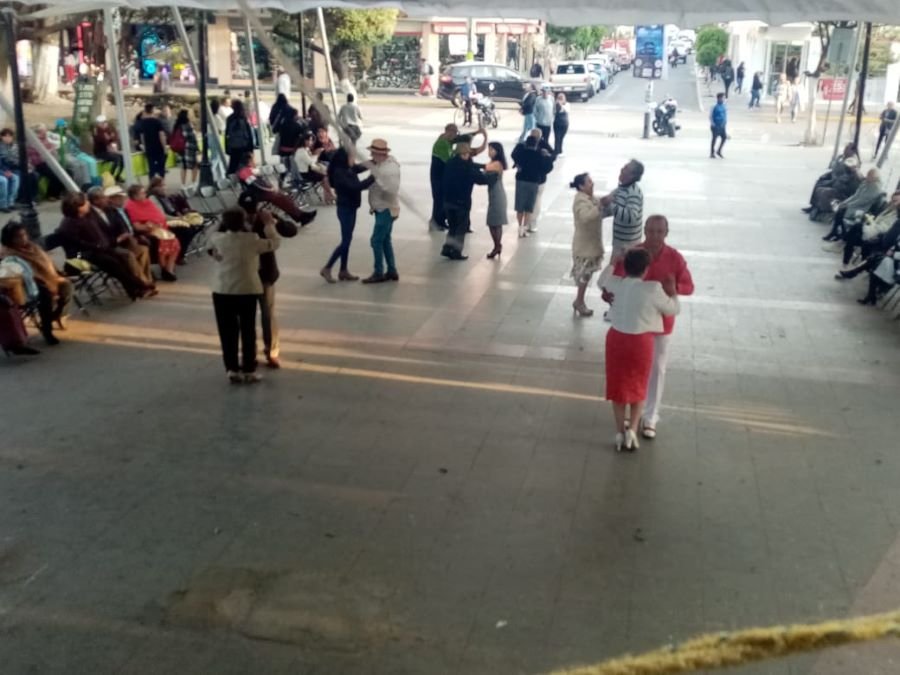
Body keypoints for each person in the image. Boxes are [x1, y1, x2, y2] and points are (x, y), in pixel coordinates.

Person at [603, 216, 694, 440]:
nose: (654, 236)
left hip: (660, 325)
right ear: (644, 230)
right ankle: (631, 416)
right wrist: (608, 295)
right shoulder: (633, 254)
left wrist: (673, 288)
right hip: (631, 326)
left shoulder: (675, 258)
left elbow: (689, 286)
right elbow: (614, 280)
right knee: (630, 371)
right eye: (650, 231)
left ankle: (650, 417)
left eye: (659, 231)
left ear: (666, 233)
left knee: (656, 370)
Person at [599, 248, 680, 451]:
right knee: (638, 385)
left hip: (616, 339)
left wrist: (612, 262)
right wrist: (672, 291)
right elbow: (672, 309)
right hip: (640, 343)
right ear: (646, 269)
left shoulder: (615, 284)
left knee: (617, 386)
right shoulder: (652, 289)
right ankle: (633, 431)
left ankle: (619, 432)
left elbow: (601, 281)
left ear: (624, 267)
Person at [208, 207, 280, 384]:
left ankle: (231, 368)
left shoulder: (217, 239)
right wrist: (269, 223)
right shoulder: (252, 240)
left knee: (227, 332)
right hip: (247, 290)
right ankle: (249, 368)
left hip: (222, 290)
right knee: (248, 331)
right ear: (244, 223)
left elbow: (209, 237)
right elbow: (274, 242)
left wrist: (219, 223)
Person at [55, 192, 156, 300]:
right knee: (110, 261)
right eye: (85, 203)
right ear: (78, 207)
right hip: (77, 256)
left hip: (96, 249)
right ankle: (138, 285)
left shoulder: (87, 216)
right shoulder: (69, 225)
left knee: (119, 257)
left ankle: (137, 287)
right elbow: (80, 245)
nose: (88, 203)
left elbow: (99, 236)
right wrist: (99, 246)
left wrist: (106, 244)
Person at [1, 222, 72, 346]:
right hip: (27, 284)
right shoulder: (9, 255)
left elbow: (47, 261)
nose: (23, 238)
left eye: (24, 235)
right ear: (10, 240)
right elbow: (25, 273)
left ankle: (57, 315)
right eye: (18, 237)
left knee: (67, 286)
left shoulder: (33, 247)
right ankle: (47, 329)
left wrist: (57, 274)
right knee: (45, 296)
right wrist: (48, 281)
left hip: (47, 278)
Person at [238, 192, 284, 369]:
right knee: (246, 317)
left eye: (252, 210)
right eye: (246, 210)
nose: (250, 214)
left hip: (265, 273)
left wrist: (273, 221)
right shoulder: (234, 221)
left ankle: (271, 351)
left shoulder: (264, 218)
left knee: (267, 315)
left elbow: (289, 231)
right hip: (244, 276)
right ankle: (248, 354)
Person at [321, 148, 375, 283]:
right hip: (345, 209)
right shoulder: (340, 173)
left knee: (347, 240)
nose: (354, 160)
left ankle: (343, 270)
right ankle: (327, 267)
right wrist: (373, 177)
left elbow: (359, 167)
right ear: (345, 158)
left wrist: (373, 161)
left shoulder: (347, 168)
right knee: (345, 241)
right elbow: (355, 187)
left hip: (351, 207)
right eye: (352, 157)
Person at [88, 186, 154, 288]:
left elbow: (123, 226)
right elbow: (101, 236)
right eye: (104, 198)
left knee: (143, 249)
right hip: (107, 247)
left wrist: (130, 236)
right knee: (129, 255)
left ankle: (147, 279)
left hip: (123, 240)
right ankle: (142, 283)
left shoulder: (109, 210)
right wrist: (119, 239)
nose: (106, 200)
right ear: (96, 200)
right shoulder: (92, 216)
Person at [441, 142, 495, 261]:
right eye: (466, 154)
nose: (468, 156)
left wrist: (482, 166)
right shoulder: (466, 167)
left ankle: (447, 248)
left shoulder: (450, 163)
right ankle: (456, 251)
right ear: (463, 154)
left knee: (452, 227)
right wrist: (490, 176)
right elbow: (480, 179)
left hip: (448, 201)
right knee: (461, 228)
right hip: (461, 202)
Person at [237, 152, 317, 225]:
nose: (255, 161)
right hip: (254, 194)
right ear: (249, 160)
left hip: (261, 192)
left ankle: (300, 215)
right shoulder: (244, 171)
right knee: (278, 197)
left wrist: (270, 187)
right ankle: (301, 216)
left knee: (283, 197)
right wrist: (270, 189)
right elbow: (256, 184)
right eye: (253, 159)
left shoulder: (249, 170)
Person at [361, 138, 401, 284]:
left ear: (380, 154)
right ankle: (392, 270)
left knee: (376, 240)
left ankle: (379, 272)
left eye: (373, 153)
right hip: (388, 208)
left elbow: (385, 188)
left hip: (385, 209)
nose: (371, 156)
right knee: (385, 240)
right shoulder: (389, 164)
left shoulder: (385, 170)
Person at [125, 184, 181, 281]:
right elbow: (137, 226)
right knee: (163, 241)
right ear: (135, 196)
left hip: (160, 229)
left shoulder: (147, 203)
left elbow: (159, 216)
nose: (145, 194)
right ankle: (164, 269)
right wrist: (148, 227)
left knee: (175, 241)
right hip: (147, 232)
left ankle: (169, 268)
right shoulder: (131, 206)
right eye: (142, 193)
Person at [570, 173, 604, 317]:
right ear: (581, 186)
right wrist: (601, 206)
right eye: (589, 181)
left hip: (591, 244)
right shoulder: (580, 201)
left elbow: (599, 207)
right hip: (584, 247)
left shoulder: (591, 199)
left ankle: (579, 300)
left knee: (587, 274)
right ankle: (579, 301)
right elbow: (586, 217)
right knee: (584, 275)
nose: (592, 183)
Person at [822, 168, 884, 242]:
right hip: (856, 205)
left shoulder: (875, 188)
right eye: (867, 175)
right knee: (841, 209)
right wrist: (845, 202)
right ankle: (834, 232)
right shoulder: (866, 183)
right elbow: (855, 196)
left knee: (842, 211)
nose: (867, 177)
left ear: (875, 178)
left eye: (869, 176)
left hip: (862, 209)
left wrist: (848, 205)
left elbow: (863, 201)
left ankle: (837, 233)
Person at [803, 142, 862, 217]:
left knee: (822, 188)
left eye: (847, 149)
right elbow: (835, 166)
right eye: (845, 148)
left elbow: (849, 175)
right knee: (818, 182)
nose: (844, 150)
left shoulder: (853, 160)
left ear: (852, 151)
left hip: (841, 182)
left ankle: (819, 209)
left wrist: (837, 178)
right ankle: (813, 205)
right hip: (834, 177)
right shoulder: (843, 157)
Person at [601, 159, 645, 258]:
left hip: (628, 245)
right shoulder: (621, 189)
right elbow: (610, 209)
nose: (622, 170)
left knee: (614, 272)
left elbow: (631, 217)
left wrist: (610, 205)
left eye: (626, 168)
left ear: (632, 175)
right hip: (619, 242)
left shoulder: (633, 193)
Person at [511, 134, 552, 239]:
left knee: (519, 206)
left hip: (520, 180)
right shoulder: (539, 155)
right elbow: (547, 168)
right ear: (536, 144)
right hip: (533, 182)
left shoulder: (521, 154)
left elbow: (514, 155)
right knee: (528, 207)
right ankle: (525, 228)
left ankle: (520, 227)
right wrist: (547, 156)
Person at [430, 123, 461, 231]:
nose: (455, 136)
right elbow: (448, 160)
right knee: (438, 199)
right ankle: (435, 222)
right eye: (454, 133)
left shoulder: (447, 141)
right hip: (437, 177)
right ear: (448, 131)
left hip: (443, 176)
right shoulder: (442, 143)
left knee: (443, 199)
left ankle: (441, 221)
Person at [523, 128, 555, 234]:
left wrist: (547, 157)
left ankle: (530, 223)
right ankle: (529, 223)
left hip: (536, 179)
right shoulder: (538, 145)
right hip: (533, 179)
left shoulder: (540, 145)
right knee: (534, 201)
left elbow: (552, 157)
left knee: (534, 201)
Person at [27, 126, 65, 201]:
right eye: (43, 132)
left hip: (48, 162)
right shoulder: (33, 142)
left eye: (45, 131)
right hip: (38, 163)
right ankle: (51, 195)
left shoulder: (46, 140)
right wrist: (48, 152)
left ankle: (58, 193)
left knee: (64, 172)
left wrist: (53, 151)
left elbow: (52, 150)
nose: (45, 133)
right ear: (38, 132)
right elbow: (37, 155)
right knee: (54, 175)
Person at [485, 141, 509, 259]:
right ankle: (497, 245)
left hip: (497, 194)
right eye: (489, 149)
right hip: (493, 194)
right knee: (492, 222)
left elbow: (485, 168)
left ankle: (497, 246)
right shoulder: (493, 162)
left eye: (492, 149)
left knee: (495, 222)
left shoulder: (497, 164)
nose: (489, 152)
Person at [137, 103, 168, 179]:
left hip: (149, 148)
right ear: (152, 110)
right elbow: (161, 135)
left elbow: (142, 136)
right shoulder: (157, 122)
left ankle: (152, 184)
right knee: (161, 168)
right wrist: (164, 147)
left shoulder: (142, 123)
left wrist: (145, 146)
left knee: (151, 167)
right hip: (158, 147)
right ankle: (161, 183)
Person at [224, 99, 254, 176]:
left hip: (234, 146)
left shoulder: (230, 118)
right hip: (244, 146)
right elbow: (249, 133)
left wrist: (227, 147)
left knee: (233, 166)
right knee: (244, 167)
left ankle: (232, 181)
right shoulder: (244, 118)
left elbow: (227, 134)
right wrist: (251, 148)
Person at [170, 109, 199, 185]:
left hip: (180, 148)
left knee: (183, 166)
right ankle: (193, 182)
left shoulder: (177, 125)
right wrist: (197, 148)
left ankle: (183, 184)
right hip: (189, 147)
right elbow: (190, 136)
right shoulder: (187, 125)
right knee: (194, 165)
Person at [92, 116, 124, 183]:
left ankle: (118, 175)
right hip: (100, 152)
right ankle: (111, 176)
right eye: (102, 123)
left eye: (105, 122)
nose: (105, 124)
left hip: (109, 150)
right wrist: (109, 138)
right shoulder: (97, 132)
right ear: (98, 124)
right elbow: (103, 141)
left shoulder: (108, 129)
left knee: (122, 158)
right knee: (116, 158)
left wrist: (111, 139)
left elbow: (114, 137)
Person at [0, 128, 20, 213]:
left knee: (15, 178)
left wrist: (5, 170)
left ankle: (10, 203)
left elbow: (1, 162)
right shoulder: (1, 147)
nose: (7, 138)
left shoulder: (14, 145)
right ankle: (3, 205)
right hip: (3, 170)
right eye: (5, 136)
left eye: (9, 136)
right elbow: (5, 159)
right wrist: (4, 172)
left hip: (4, 169)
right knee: (4, 180)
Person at [709, 93, 727, 159]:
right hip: (716, 125)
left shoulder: (724, 106)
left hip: (722, 125)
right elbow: (710, 116)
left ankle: (719, 151)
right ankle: (712, 153)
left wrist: (725, 123)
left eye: (724, 98)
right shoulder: (714, 106)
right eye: (723, 98)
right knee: (714, 139)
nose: (723, 99)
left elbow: (725, 115)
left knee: (724, 137)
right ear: (719, 98)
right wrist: (713, 124)